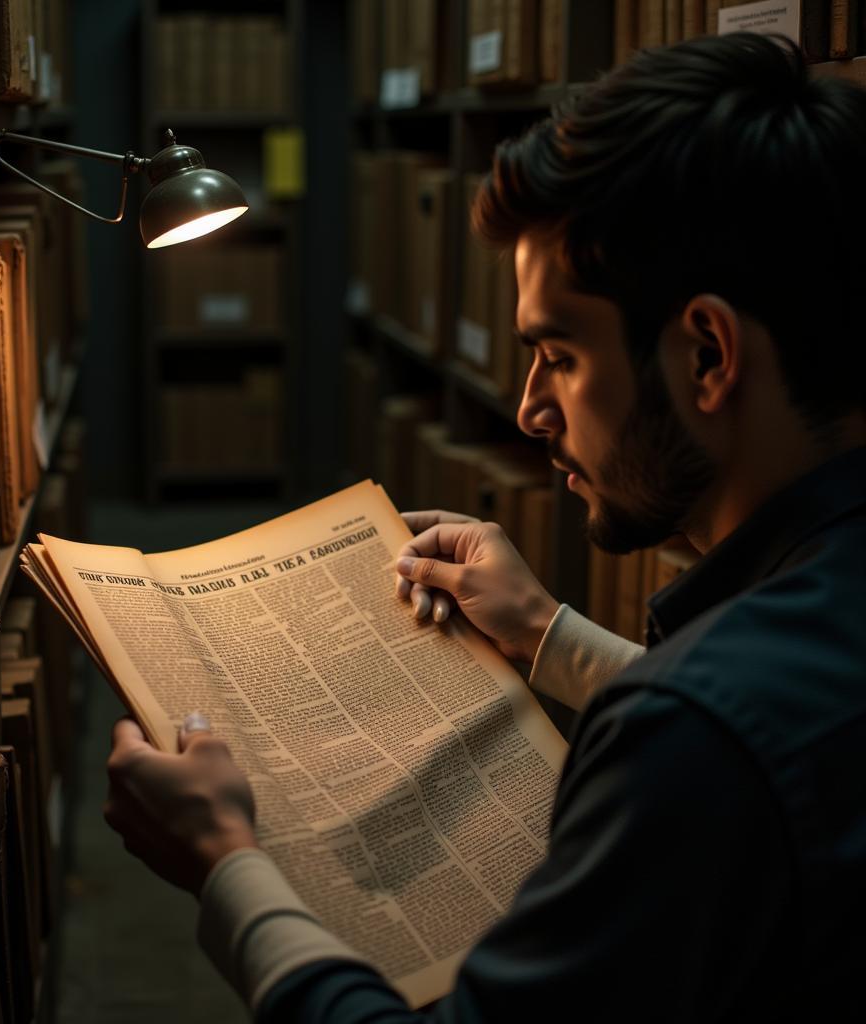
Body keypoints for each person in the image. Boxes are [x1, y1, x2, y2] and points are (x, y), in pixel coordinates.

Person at [103, 32, 866, 1020]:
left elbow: (723, 738)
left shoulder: (688, 738)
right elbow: (782, 738)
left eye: (557, 354)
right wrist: (543, 632)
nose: (530, 411)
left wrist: (230, 867)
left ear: (707, 355)